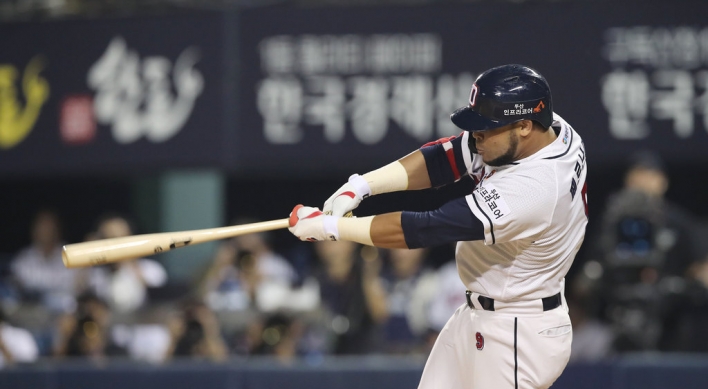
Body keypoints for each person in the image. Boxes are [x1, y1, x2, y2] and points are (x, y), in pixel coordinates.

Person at [288, 64, 587, 389]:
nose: (477, 137)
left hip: (518, 332)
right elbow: (443, 159)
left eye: (487, 129)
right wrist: (361, 186)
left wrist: (334, 228)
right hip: (480, 313)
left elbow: (426, 228)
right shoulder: (550, 128)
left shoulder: (536, 188)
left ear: (525, 125)